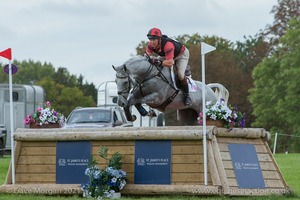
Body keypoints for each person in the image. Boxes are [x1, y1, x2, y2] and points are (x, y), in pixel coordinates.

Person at [145, 27, 192, 106]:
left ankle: (187, 96)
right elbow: (146, 57)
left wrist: (158, 62)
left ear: (159, 39)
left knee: (180, 75)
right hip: (167, 55)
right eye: (150, 39)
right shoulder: (150, 45)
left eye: (154, 39)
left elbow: (170, 63)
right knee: (155, 66)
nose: (152, 42)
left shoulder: (168, 45)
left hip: (181, 55)